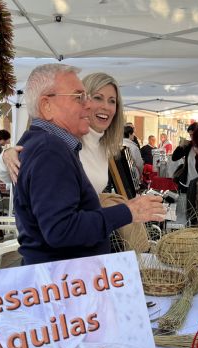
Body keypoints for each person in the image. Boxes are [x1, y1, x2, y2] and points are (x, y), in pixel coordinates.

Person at [13, 64, 165, 265]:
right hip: (64, 282)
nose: (88, 105)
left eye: (86, 96)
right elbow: (61, 230)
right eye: (78, 97)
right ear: (46, 106)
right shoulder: (50, 149)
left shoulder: (50, 144)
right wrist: (128, 212)